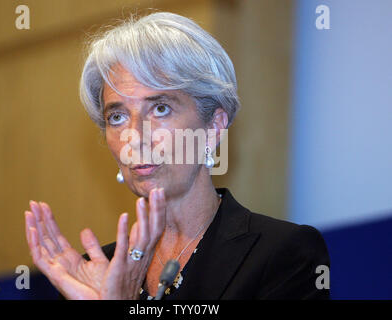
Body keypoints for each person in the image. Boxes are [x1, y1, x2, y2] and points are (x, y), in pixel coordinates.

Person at [24, 12, 330, 300]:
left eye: (160, 109)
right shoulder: (94, 275)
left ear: (213, 126)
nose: (135, 137)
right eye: (117, 117)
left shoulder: (281, 254)